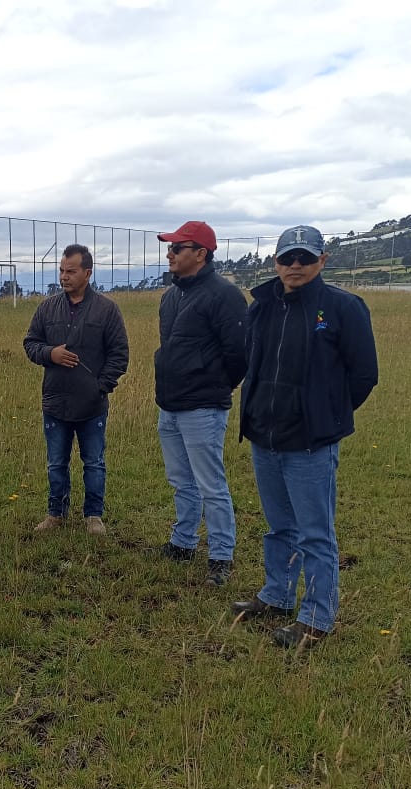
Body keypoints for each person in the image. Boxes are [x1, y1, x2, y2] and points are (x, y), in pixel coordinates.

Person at [232, 225, 378, 649]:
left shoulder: (343, 307)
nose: (296, 265)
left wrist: (327, 414)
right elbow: (252, 362)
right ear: (275, 262)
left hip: (311, 442)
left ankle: (317, 618)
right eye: (287, 258)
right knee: (279, 526)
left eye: (306, 257)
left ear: (322, 260)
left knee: (315, 533)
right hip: (264, 435)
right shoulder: (261, 307)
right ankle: (277, 595)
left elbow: (364, 374)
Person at [154, 221, 247, 586]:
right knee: (181, 480)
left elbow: (239, 353)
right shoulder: (170, 297)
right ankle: (183, 542)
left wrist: (216, 386)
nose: (170, 254)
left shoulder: (224, 295)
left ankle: (221, 555)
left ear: (201, 253)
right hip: (170, 404)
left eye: (177, 248)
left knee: (211, 484)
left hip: (203, 407)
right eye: (170, 247)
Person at [24, 244, 129, 535]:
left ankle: (93, 516)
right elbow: (30, 344)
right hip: (55, 402)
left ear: (88, 273)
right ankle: (55, 514)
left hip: (92, 405)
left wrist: (100, 387)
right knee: (56, 463)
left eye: (70, 271)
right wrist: (50, 354)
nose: (64, 276)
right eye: (61, 270)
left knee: (94, 463)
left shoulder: (107, 310)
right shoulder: (47, 308)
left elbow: (119, 354)